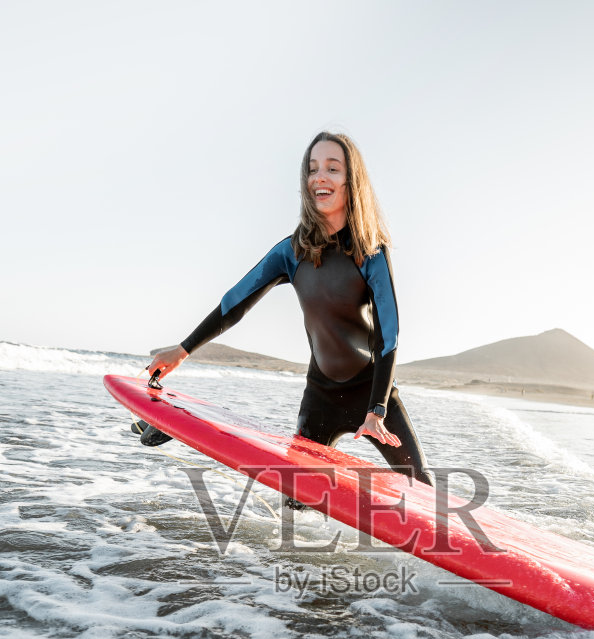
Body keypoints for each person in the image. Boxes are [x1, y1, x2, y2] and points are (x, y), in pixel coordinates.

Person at [142, 131, 430, 487]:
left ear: (351, 180)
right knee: (297, 505)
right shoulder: (291, 252)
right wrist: (182, 351)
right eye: (312, 169)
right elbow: (234, 304)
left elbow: (389, 336)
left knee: (425, 494)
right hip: (320, 398)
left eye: (332, 168)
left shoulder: (370, 251)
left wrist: (377, 410)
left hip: (373, 392)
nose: (319, 177)